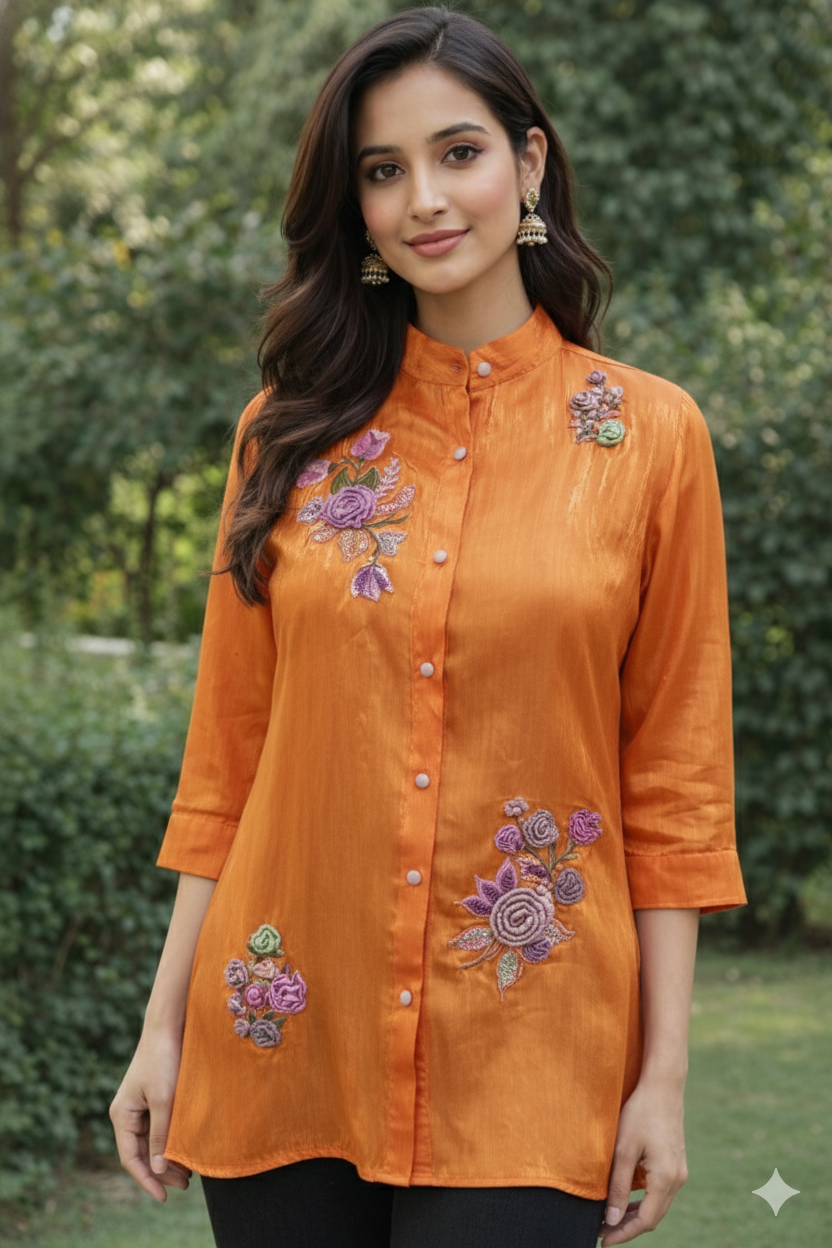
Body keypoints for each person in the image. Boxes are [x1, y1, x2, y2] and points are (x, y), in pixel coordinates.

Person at [109, 7, 748, 1247]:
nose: (424, 200)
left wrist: (659, 1079)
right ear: (354, 207)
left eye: (457, 153)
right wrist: (162, 1025)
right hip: (285, 1024)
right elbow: (226, 762)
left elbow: (673, 785)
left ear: (529, 165)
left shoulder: (650, 439)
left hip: (532, 1042)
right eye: (382, 171)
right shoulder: (284, 436)